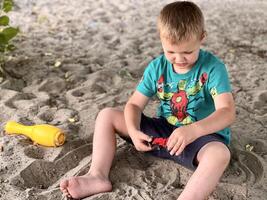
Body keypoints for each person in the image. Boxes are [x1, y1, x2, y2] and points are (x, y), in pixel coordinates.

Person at [60, 1, 236, 200]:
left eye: (187, 52)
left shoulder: (213, 68)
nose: (179, 59)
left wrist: (192, 130)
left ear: (202, 38)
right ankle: (97, 176)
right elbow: (134, 105)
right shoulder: (157, 67)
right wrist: (134, 132)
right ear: (161, 39)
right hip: (163, 133)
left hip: (201, 137)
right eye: (171, 52)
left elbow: (227, 112)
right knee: (107, 115)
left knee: (219, 154)